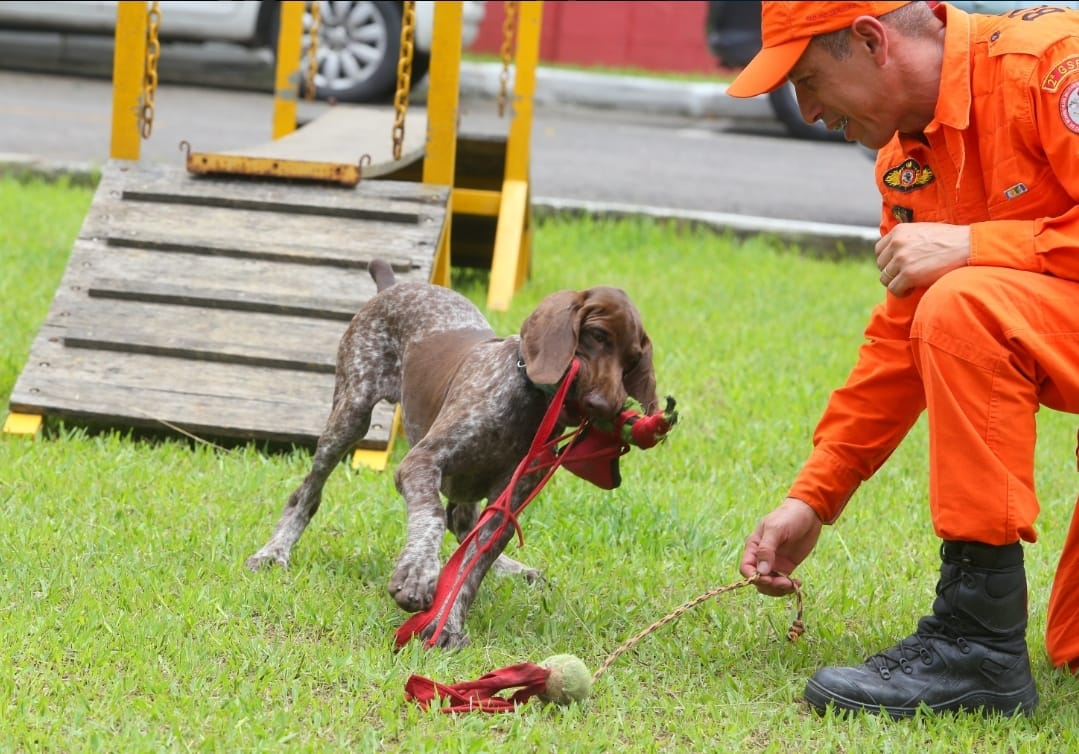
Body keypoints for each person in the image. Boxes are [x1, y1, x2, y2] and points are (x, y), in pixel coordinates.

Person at [726, 0, 1079, 718]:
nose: (809, 110)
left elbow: (956, 304)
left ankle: (975, 644)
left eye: (808, 79)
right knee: (1074, 647)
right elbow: (901, 341)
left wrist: (977, 245)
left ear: (868, 40)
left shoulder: (1048, 67)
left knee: (964, 301)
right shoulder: (906, 160)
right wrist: (812, 498)